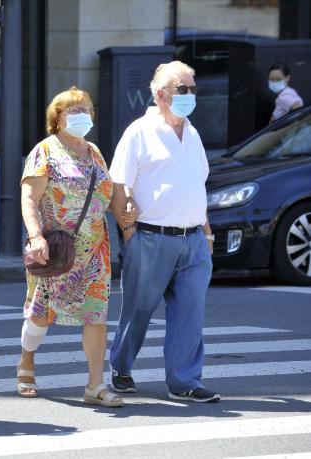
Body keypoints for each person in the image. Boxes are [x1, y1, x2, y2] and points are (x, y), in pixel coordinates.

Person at [108, 61, 220, 403]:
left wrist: (207, 232)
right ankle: (121, 365)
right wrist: (129, 233)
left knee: (190, 314)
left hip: (194, 240)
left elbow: (196, 184)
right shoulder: (139, 131)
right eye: (182, 89)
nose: (190, 96)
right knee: (139, 310)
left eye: (192, 89)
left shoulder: (193, 132)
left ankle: (184, 380)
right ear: (161, 95)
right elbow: (118, 184)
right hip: (150, 238)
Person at [17, 86, 131, 407]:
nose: (83, 116)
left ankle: (96, 384)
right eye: (74, 111)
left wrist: (127, 215)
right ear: (57, 118)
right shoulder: (45, 151)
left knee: (96, 315)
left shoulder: (94, 151)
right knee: (42, 314)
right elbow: (29, 198)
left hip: (94, 252)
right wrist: (36, 236)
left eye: (87, 110)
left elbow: (105, 194)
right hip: (56, 250)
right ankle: (26, 362)